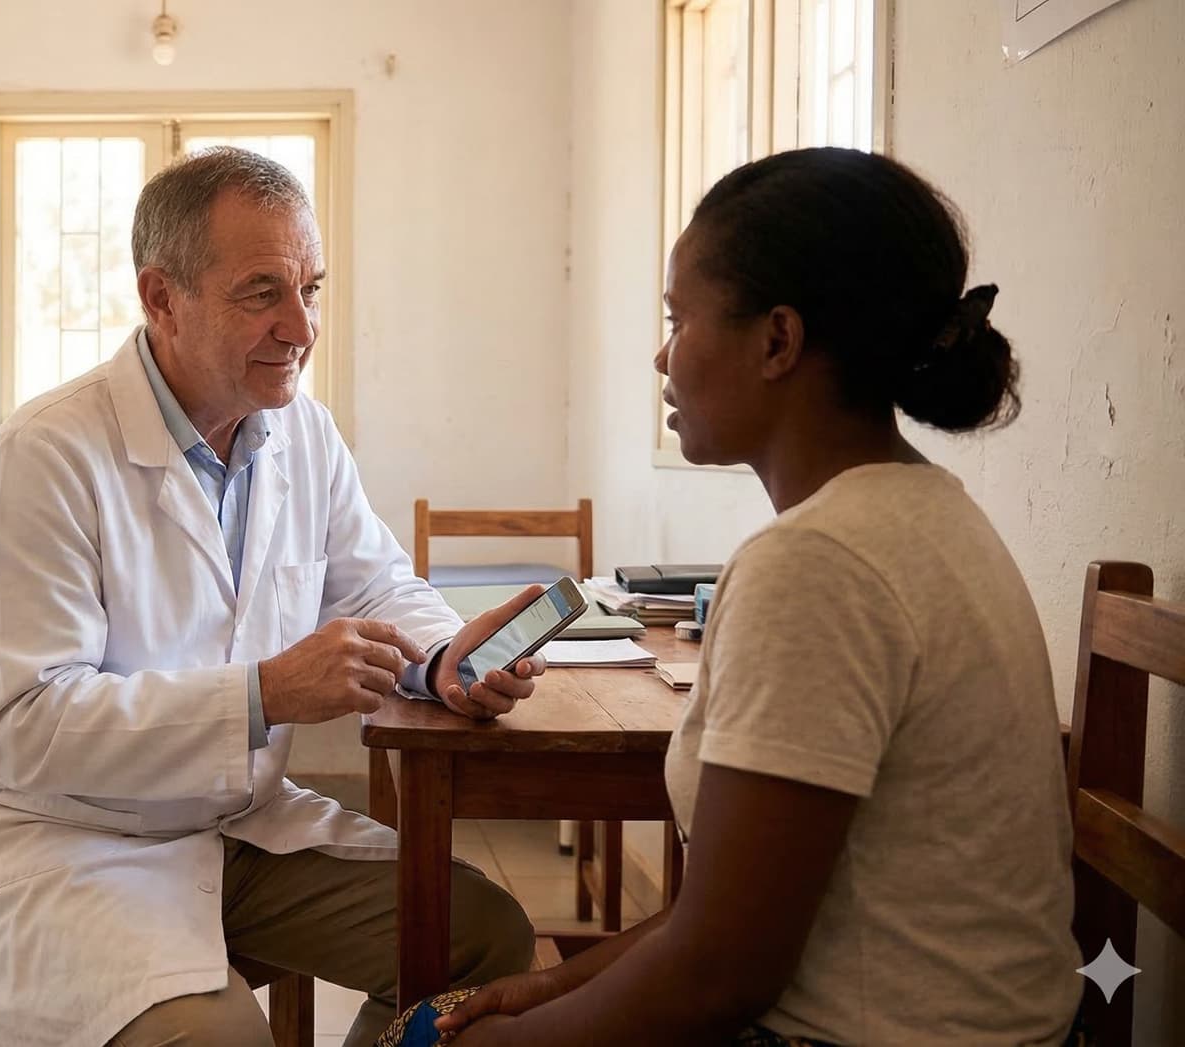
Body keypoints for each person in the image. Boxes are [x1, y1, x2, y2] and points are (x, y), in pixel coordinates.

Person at [426, 148, 1083, 1046]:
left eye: (678, 319)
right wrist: (537, 992)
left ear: (778, 340)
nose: (662, 354)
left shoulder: (818, 564)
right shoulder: (927, 512)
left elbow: (718, 976)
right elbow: (727, 919)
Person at [0, 147, 540, 1047]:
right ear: (161, 297)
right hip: (62, 838)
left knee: (483, 939)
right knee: (221, 1039)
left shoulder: (302, 431)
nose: (302, 328)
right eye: (262, 293)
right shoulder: (46, 454)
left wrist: (444, 659)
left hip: (234, 821)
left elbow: (374, 580)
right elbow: (27, 725)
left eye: (312, 289)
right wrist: (264, 694)